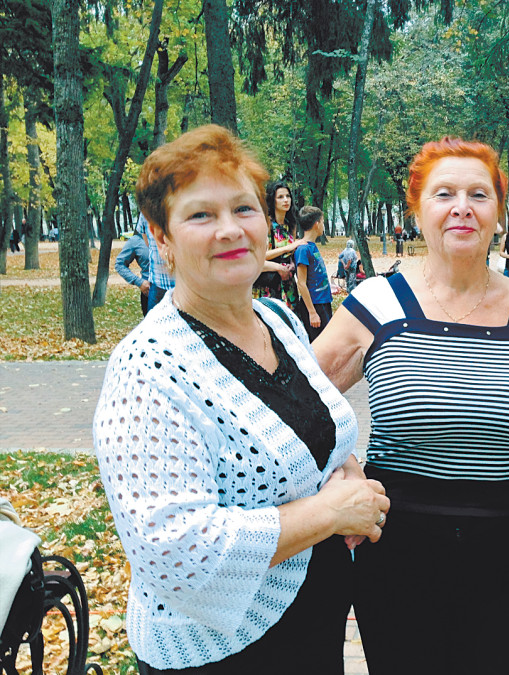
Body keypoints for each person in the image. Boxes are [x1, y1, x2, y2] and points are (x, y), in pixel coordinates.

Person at [92, 125, 390, 674]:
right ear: (162, 238)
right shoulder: (148, 368)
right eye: (201, 215)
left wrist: (346, 471)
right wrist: (330, 512)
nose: (230, 229)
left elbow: (312, 434)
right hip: (221, 650)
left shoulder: (277, 321)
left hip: (312, 625)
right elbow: (175, 553)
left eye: (243, 208)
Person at [314, 137, 509, 675]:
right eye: (443, 194)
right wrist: (344, 467)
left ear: (500, 212)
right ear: (416, 209)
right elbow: (299, 406)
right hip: (398, 547)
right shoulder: (378, 302)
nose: (461, 208)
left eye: (479, 195)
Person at [254, 181, 303, 311]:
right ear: (273, 200)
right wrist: (286, 249)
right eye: (280, 197)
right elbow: (259, 257)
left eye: (288, 196)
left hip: (288, 286)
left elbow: (291, 254)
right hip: (269, 285)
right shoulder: (266, 224)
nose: (285, 200)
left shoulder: (290, 224)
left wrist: (292, 264)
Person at [293, 206, 333, 340]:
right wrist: (312, 312)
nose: (323, 226)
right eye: (322, 222)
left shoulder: (312, 246)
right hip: (315, 305)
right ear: (316, 224)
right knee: (320, 343)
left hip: (323, 302)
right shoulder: (303, 249)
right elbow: (301, 283)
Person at [136, 212, 175, 311]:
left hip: (160, 283)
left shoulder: (147, 210)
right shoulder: (145, 212)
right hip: (159, 286)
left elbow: (147, 242)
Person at [114, 231, 151, 315]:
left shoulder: (169, 235)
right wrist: (139, 282)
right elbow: (119, 264)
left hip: (175, 292)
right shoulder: (136, 241)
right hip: (150, 292)